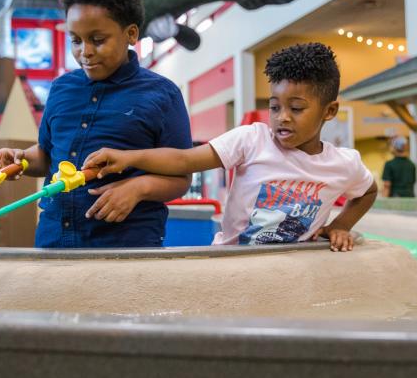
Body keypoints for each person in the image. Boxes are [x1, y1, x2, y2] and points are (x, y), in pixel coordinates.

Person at [84, 43, 378, 252]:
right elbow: (185, 160)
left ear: (329, 111)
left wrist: (341, 225)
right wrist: (128, 157)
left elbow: (367, 191)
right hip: (231, 260)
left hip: (292, 268)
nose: (282, 117)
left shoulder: (344, 164)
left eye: (297, 108)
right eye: (275, 107)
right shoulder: (252, 140)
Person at [0, 0, 192, 248]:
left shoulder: (163, 95)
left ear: (131, 34)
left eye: (98, 40)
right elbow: (47, 155)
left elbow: (181, 176)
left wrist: (138, 188)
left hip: (126, 247)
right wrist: (21, 160)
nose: (84, 52)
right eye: (75, 40)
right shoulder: (61, 89)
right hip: (54, 242)